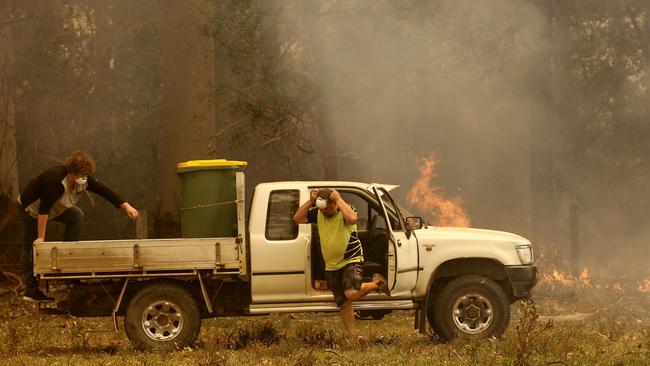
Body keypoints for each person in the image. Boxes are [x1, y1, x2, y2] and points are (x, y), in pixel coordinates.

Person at [18, 150, 139, 302]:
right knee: (30, 247)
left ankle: (69, 262)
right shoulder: (55, 181)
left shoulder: (85, 179)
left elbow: (104, 191)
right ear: (71, 172)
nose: (83, 179)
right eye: (79, 176)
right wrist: (41, 239)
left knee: (76, 215)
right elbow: (44, 211)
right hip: (32, 209)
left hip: (57, 207)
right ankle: (31, 290)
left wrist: (127, 206)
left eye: (85, 175)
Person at [294, 188, 390, 336]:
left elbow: (352, 219)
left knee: (351, 293)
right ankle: (353, 336)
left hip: (351, 259)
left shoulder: (346, 209)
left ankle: (378, 282)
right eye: (323, 210)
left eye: (328, 209)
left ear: (334, 203)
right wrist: (310, 201)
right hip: (332, 265)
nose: (325, 213)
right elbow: (298, 218)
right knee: (344, 303)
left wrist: (338, 198)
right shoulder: (319, 212)